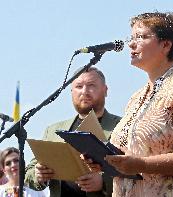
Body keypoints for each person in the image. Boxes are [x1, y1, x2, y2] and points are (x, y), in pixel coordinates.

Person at [85, 12, 173, 196]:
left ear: (166, 44)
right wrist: (104, 158)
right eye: (132, 37)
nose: (131, 43)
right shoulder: (136, 97)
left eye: (141, 37)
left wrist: (141, 165)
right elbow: (130, 155)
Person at [25, 67, 121, 197]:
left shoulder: (122, 125)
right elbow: (29, 172)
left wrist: (104, 182)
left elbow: (136, 170)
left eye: (91, 85)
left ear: (105, 90)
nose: (84, 91)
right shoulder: (53, 130)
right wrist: (38, 175)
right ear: (71, 91)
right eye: (79, 86)